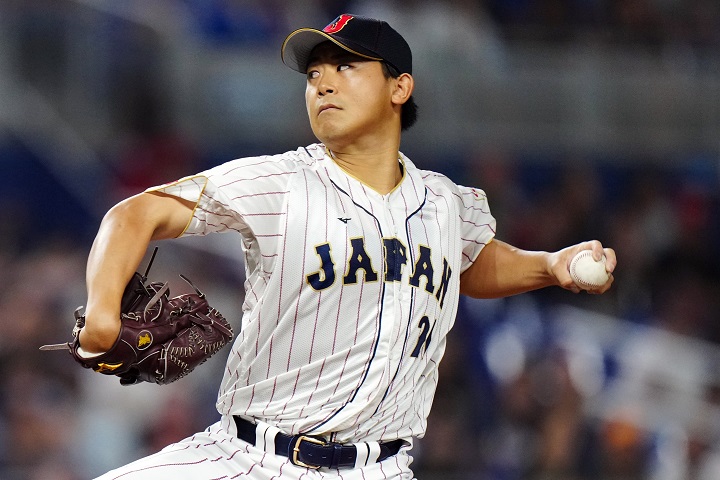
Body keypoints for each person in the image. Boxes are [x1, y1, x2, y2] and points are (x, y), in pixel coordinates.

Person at [80, 14, 616, 480]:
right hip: (249, 457)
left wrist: (551, 265)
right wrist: (103, 309)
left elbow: (473, 262)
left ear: (399, 88)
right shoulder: (281, 183)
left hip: (381, 467)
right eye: (314, 74)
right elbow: (135, 213)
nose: (323, 84)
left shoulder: (446, 203)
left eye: (346, 67)